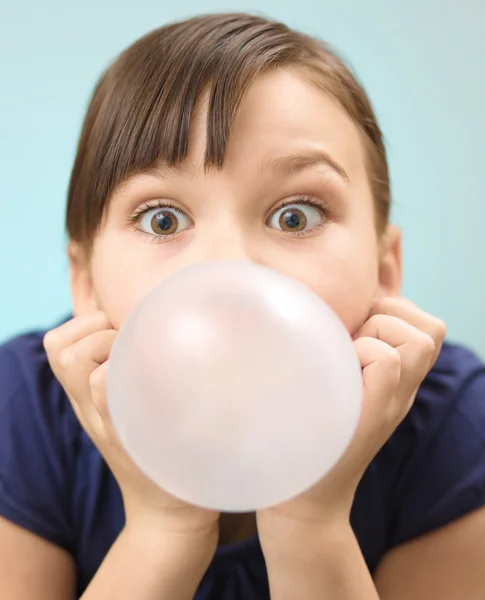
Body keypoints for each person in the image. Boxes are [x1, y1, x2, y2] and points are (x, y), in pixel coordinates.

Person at [1, 12, 484, 600]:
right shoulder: (22, 412)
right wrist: (164, 524)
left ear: (384, 270)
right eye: (163, 218)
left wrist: (309, 521)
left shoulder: (453, 423)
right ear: (86, 283)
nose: (228, 269)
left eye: (295, 215)